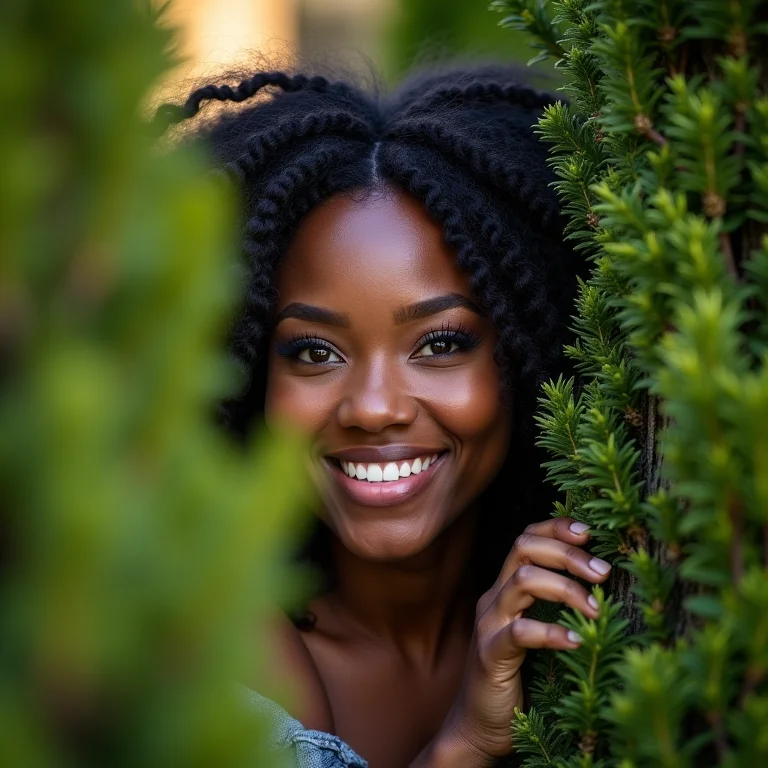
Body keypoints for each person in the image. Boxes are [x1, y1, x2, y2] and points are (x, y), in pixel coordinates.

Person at [156, 64, 612, 768]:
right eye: (313, 351)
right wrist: (462, 744)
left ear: (526, 356)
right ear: (248, 375)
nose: (373, 408)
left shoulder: (579, 618)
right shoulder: (225, 640)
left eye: (440, 344)